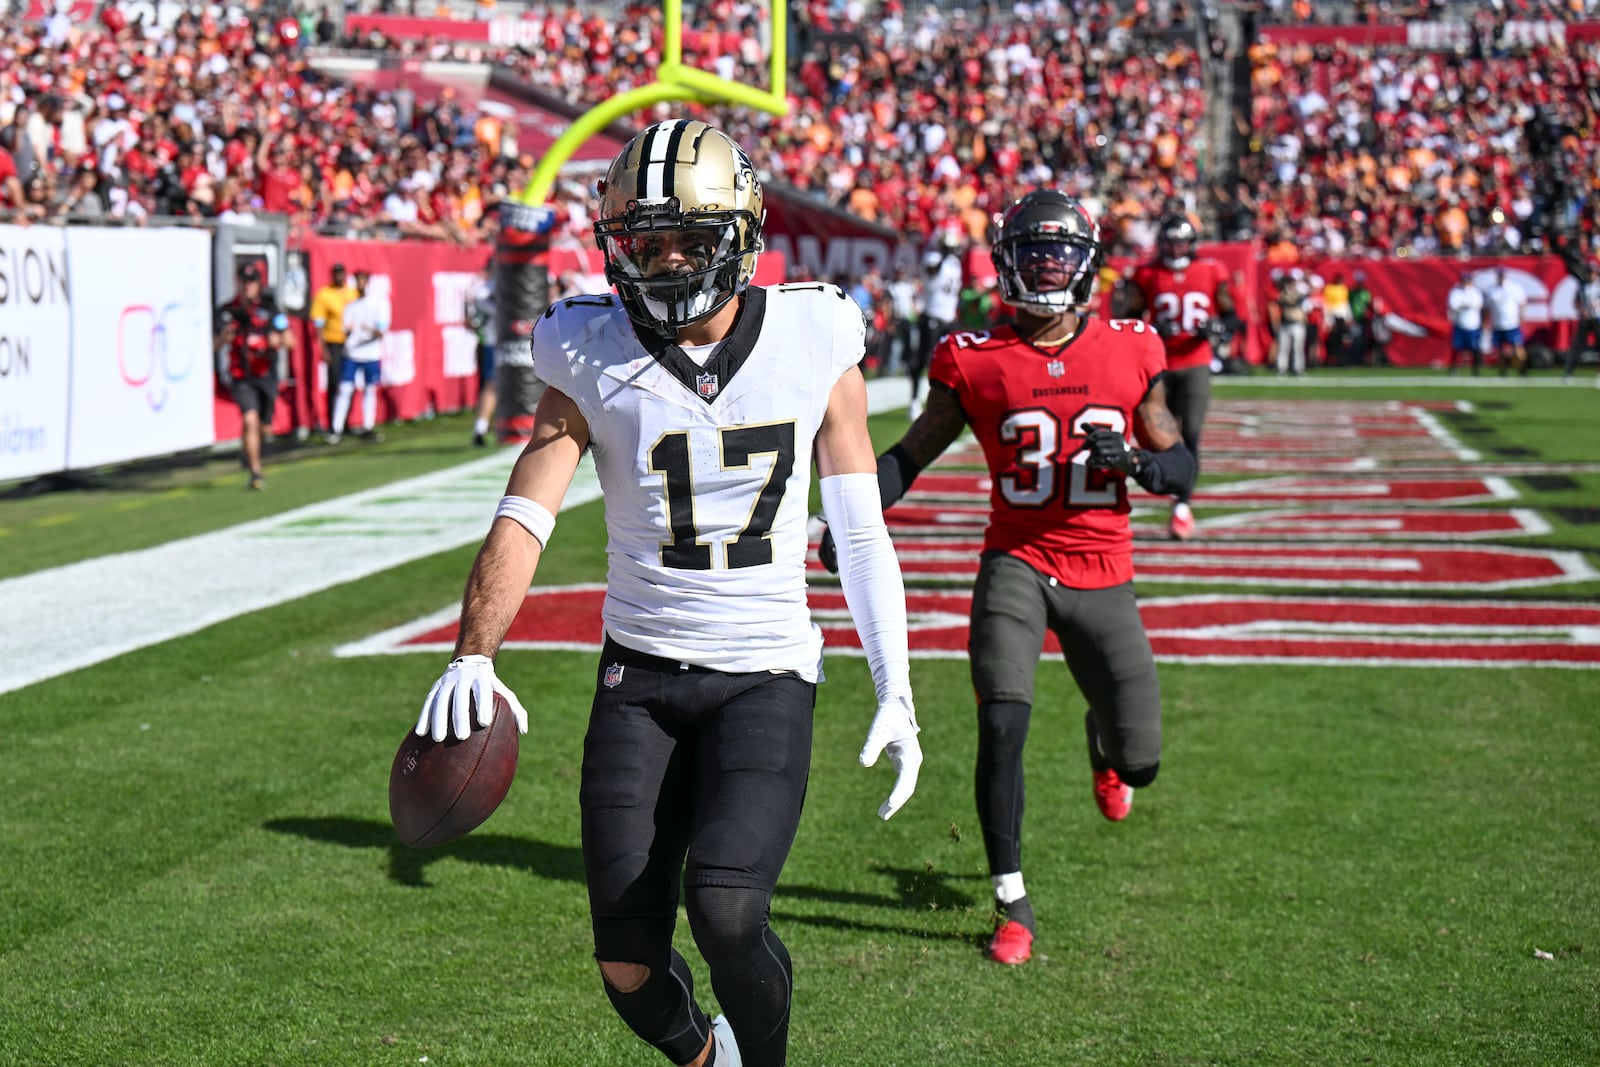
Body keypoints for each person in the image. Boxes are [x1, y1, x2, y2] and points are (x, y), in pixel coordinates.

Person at [414, 119, 922, 1067]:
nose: (671, 260)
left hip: (763, 674)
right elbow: (526, 513)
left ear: (744, 236)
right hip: (640, 675)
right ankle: (708, 1058)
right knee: (626, 961)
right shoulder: (587, 350)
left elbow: (858, 528)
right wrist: (472, 649)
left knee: (728, 911)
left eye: (692, 238)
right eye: (648, 241)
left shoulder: (815, 332)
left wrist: (896, 685)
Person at [820, 190, 1191, 966]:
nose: (1046, 266)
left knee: (1141, 762)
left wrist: (1141, 464)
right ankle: (1011, 899)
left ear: (1086, 265)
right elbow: (910, 455)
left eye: (1059, 253)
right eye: (1033, 252)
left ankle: (1104, 746)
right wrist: (852, 514)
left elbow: (1181, 461)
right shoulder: (973, 357)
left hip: (1104, 569)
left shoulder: (1131, 346)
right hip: (1016, 560)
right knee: (1000, 721)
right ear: (1008, 262)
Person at [1115, 214, 1233, 540]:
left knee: (1191, 433)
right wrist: (1152, 329)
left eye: (1181, 241)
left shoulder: (1210, 271)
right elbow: (1127, 320)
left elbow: (1232, 316)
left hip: (1195, 362)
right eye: (1170, 241)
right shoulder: (1148, 273)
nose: (1176, 247)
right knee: (1156, 436)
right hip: (1159, 365)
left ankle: (1182, 505)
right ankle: (1163, 485)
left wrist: (1217, 330)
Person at [214, 263, 290, 490]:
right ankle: (256, 473)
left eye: (252, 282)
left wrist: (278, 340)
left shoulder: (269, 308)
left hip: (266, 373)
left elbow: (290, 339)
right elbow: (213, 346)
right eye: (244, 282)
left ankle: (248, 450)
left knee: (264, 428)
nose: (248, 287)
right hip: (241, 374)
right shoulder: (228, 311)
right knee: (249, 419)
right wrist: (223, 339)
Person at [328, 271, 389, 443]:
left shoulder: (379, 304)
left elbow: (381, 331)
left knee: (370, 390)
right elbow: (346, 330)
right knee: (345, 389)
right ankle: (336, 428)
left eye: (363, 280)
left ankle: (368, 426)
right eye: (358, 280)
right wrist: (351, 332)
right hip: (352, 353)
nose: (360, 284)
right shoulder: (351, 306)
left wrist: (366, 329)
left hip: (371, 354)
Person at [911, 228, 964, 419]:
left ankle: (948, 399)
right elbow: (930, 273)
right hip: (932, 313)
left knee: (952, 359)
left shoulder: (955, 263)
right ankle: (915, 400)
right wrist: (942, 257)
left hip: (949, 317)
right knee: (924, 358)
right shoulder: (933, 259)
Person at [309, 263, 359, 433]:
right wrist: (323, 348)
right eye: (336, 274)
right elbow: (319, 323)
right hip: (334, 343)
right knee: (335, 382)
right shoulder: (324, 294)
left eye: (342, 273)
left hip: (352, 342)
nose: (339, 277)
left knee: (350, 383)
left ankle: (345, 422)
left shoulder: (352, 292)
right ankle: (333, 423)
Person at [464, 261, 497, 446]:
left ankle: (486, 425)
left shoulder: (485, 288)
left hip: (500, 340)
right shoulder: (484, 290)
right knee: (491, 385)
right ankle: (480, 428)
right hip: (491, 341)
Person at [1486, 266, 1530, 376]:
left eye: (1502, 275)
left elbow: (1522, 303)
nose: (1501, 277)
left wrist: (1522, 317)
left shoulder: (1514, 288)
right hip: (1497, 323)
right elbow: (1487, 308)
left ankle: (1523, 367)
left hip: (1512, 323)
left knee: (1517, 346)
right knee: (1499, 348)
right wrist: (1486, 321)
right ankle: (1503, 370)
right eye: (1499, 275)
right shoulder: (1492, 290)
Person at [1563, 262, 1600, 384]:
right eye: (1589, 273)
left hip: (1597, 319)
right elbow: (1576, 302)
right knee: (1577, 346)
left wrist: (1596, 305)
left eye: (1593, 273)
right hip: (1585, 319)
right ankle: (1569, 372)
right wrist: (1581, 310)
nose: (1591, 275)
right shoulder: (1583, 287)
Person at [1446, 272, 1486, 375]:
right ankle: (1454, 369)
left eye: (1468, 280)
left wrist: (1464, 304)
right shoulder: (1456, 292)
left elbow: (1478, 305)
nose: (1466, 283)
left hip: (1473, 325)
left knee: (1474, 348)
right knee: (1457, 348)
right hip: (1460, 324)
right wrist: (1465, 305)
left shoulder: (1475, 292)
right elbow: (1453, 305)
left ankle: (1476, 369)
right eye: (1464, 280)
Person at [1274, 268, 1311, 378]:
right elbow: (1283, 301)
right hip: (1286, 324)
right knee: (1284, 348)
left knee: (1298, 348)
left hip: (1298, 323)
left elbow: (1301, 304)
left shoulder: (1301, 294)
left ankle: (1298, 369)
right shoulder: (1283, 294)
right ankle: (1282, 368)